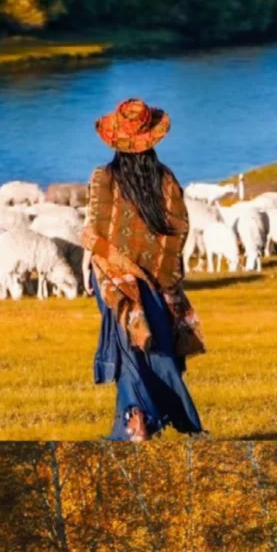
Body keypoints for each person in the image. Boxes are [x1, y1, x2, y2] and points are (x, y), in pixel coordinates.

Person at [82, 98, 205, 441]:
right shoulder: (166, 181)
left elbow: (96, 229)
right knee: (154, 349)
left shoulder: (102, 177)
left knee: (128, 347)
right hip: (154, 279)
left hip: (112, 277)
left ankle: (136, 421)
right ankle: (146, 419)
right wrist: (164, 275)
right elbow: (178, 229)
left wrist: (89, 267)